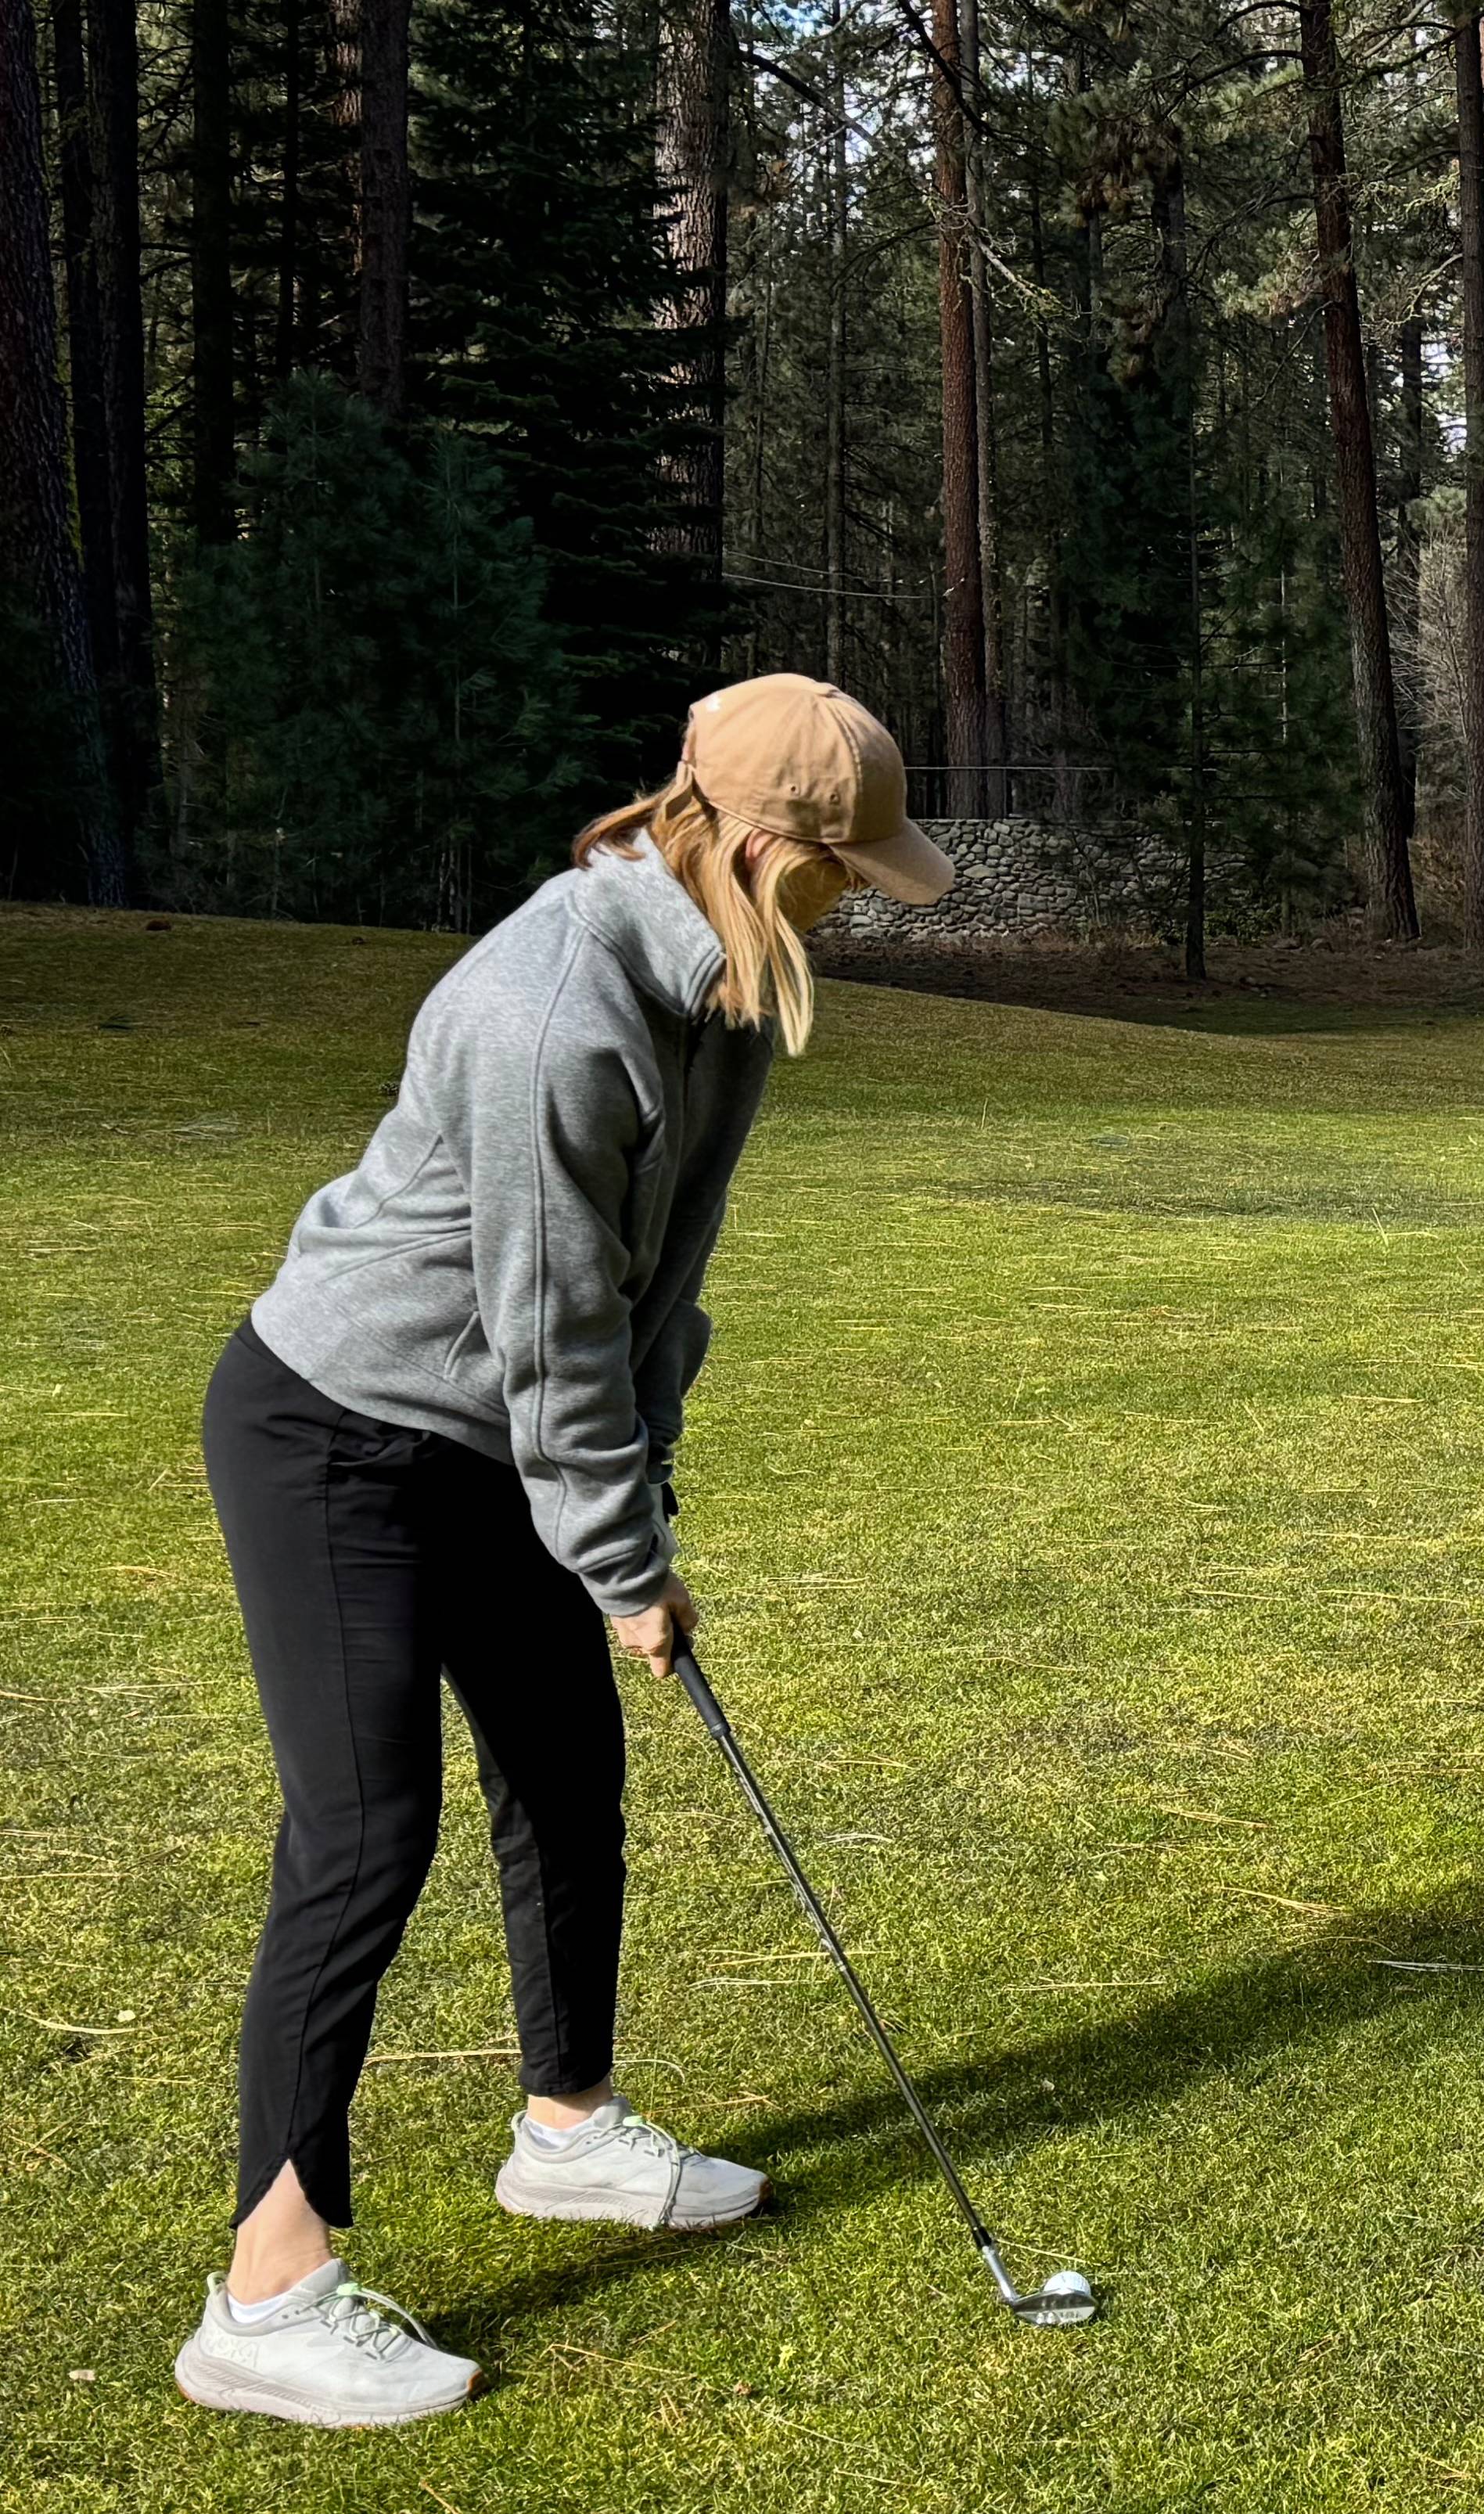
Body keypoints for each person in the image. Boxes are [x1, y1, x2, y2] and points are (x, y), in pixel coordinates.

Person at [171, 678, 955, 2429]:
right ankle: (266, 2291)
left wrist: (637, 1505)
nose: (858, 897)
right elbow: (548, 1325)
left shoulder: (731, 986)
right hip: (339, 1431)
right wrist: (619, 1559)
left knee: (568, 1775)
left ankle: (569, 2126)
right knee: (365, 1832)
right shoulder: (549, 1011)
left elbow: (653, 1288)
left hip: (491, 1440)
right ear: (762, 843)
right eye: (845, 867)